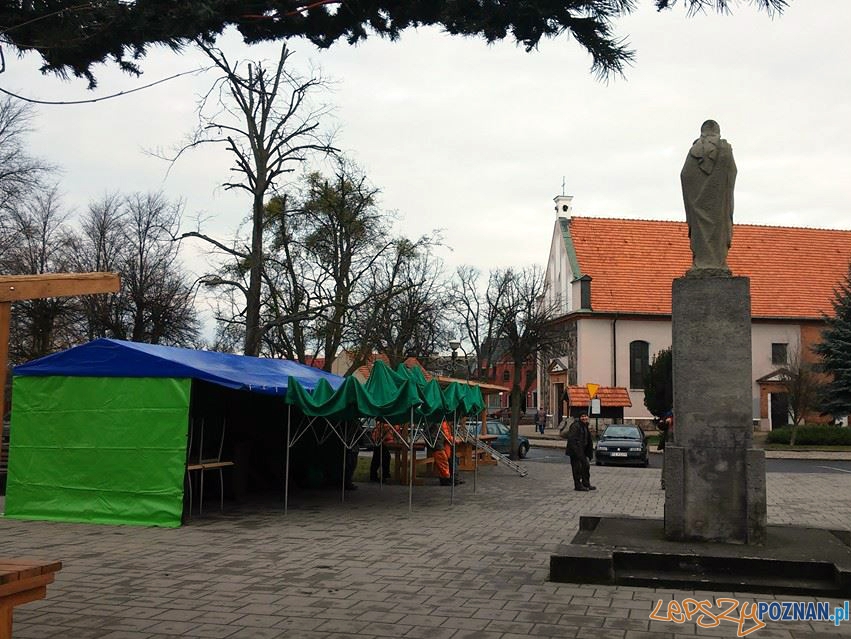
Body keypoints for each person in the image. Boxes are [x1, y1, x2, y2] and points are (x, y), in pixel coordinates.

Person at [681, 119, 737, 273]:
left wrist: (695, 200)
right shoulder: (725, 150)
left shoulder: (694, 151)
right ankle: (717, 263)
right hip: (719, 205)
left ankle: (701, 262)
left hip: (697, 207)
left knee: (700, 234)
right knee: (719, 234)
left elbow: (685, 176)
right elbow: (732, 173)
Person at [565, 413, 595, 491]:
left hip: (583, 451)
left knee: (586, 466)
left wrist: (588, 452)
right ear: (579, 417)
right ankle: (578, 485)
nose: (584, 418)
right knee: (577, 469)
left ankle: (586, 483)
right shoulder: (575, 426)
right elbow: (572, 440)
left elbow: (588, 439)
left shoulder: (585, 426)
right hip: (575, 452)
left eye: (585, 416)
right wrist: (577, 452)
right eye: (582, 416)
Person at [433, 419, 464, 486]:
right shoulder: (441, 421)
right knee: (444, 460)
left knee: (449, 459)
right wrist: (452, 439)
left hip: (443, 443)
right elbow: (445, 433)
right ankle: (447, 479)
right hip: (440, 444)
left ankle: (451, 478)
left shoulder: (444, 421)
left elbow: (446, 433)